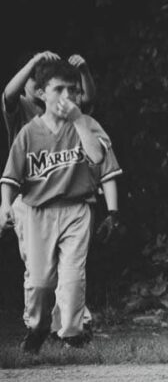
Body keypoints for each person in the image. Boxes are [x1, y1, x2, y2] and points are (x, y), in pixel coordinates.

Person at [0, 60, 118, 352]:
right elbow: (11, 177)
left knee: (72, 277)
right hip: (37, 210)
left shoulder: (86, 124)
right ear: (41, 93)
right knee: (40, 282)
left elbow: (97, 158)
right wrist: (4, 205)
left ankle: (72, 334)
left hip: (76, 210)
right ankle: (38, 327)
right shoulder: (29, 131)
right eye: (59, 89)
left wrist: (79, 119)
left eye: (73, 90)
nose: (67, 96)